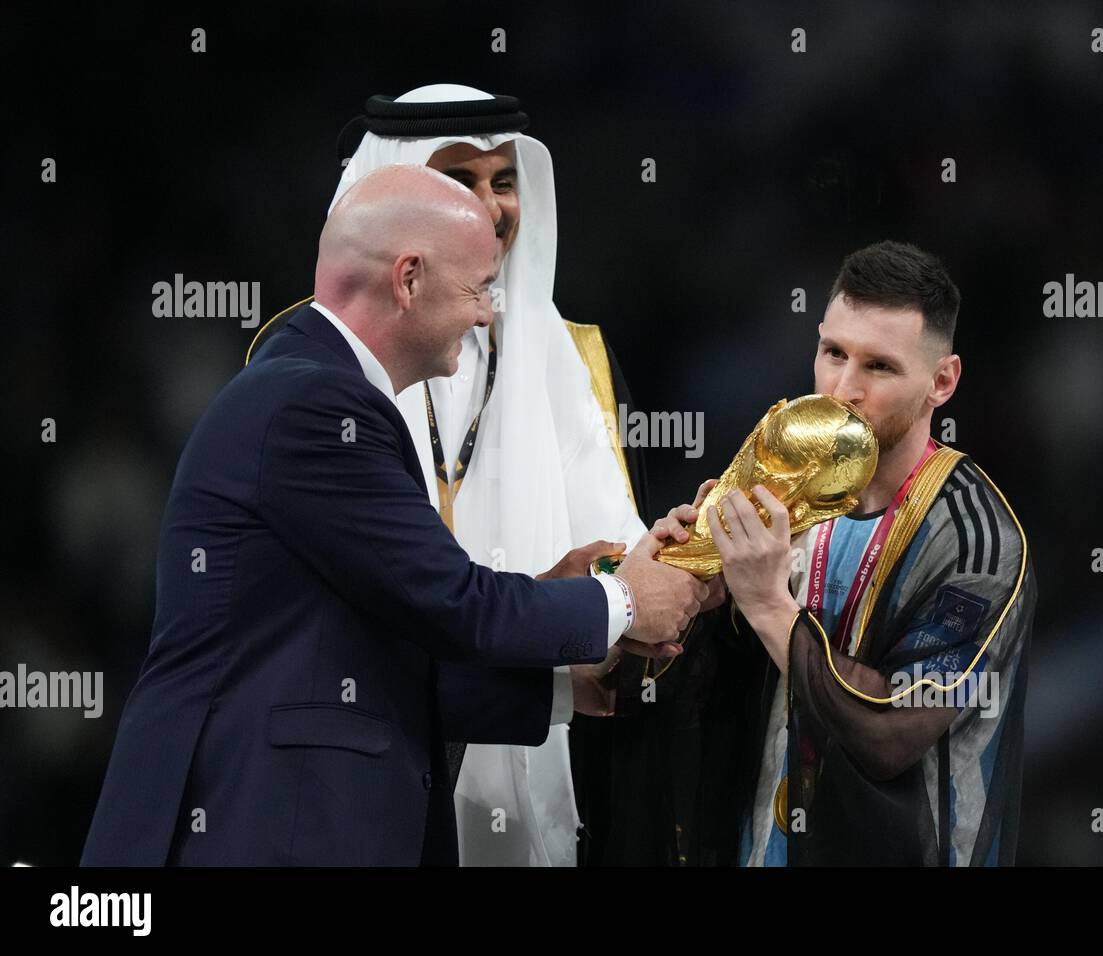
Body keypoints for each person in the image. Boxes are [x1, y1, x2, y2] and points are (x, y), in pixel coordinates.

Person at [79, 164, 705, 867]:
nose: (485, 314)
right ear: (408, 280)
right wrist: (624, 599)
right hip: (259, 826)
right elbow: (456, 605)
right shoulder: (315, 406)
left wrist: (564, 683)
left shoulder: (310, 390)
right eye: (479, 287)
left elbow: (364, 662)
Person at [249, 84, 666, 867]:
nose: (488, 206)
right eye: (456, 180)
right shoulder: (313, 376)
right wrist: (609, 600)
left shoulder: (568, 357)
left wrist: (689, 557)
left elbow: (615, 551)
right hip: (355, 766)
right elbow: (385, 620)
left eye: (502, 180)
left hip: (526, 741)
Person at [622, 241, 1037, 866]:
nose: (843, 389)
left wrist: (765, 602)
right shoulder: (781, 487)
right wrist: (689, 600)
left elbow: (891, 731)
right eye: (833, 353)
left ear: (942, 381)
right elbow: (691, 698)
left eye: (880, 367)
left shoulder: (977, 541)